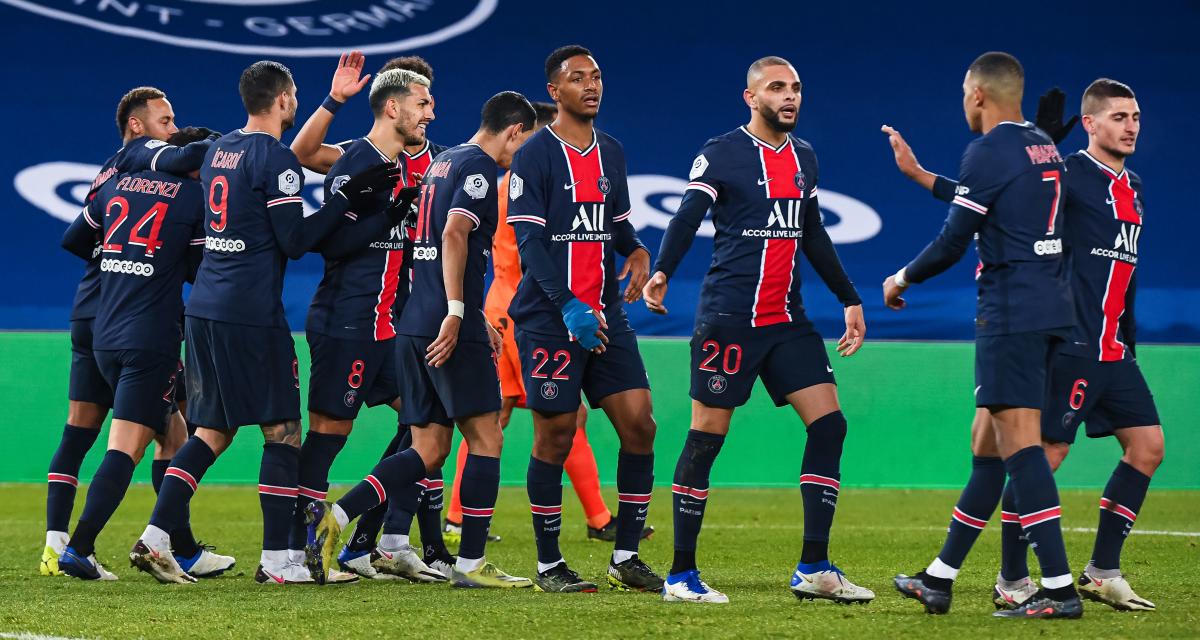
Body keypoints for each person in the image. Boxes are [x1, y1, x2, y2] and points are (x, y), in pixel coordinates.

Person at [884, 78, 1161, 612]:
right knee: (1033, 456)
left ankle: (1100, 571)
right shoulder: (1068, 172)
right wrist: (923, 178)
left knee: (1147, 448)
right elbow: (987, 201)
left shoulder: (1136, 189)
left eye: (1136, 117)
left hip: (1114, 349)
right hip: (1068, 341)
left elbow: (1127, 275)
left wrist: (1129, 338)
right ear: (1090, 123)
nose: (1130, 127)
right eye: (1119, 117)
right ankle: (1014, 578)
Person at [128, 60, 403, 585]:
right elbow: (295, 241)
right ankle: (279, 560)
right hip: (250, 314)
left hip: (205, 306)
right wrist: (347, 200)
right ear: (282, 100)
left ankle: (157, 536)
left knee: (212, 431)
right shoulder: (277, 161)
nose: (295, 100)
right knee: (283, 434)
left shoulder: (221, 149)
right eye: (294, 94)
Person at [643, 56, 870, 605]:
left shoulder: (805, 157)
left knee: (830, 425)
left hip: (788, 321)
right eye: (776, 88)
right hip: (729, 319)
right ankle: (680, 575)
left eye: (795, 87)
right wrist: (662, 271)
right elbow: (686, 215)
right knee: (706, 439)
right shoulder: (721, 153)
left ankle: (814, 566)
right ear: (751, 97)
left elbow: (813, 234)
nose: (789, 96)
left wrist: (849, 299)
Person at [305, 91, 538, 589]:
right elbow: (455, 235)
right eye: (527, 146)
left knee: (428, 448)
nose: (526, 160)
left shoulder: (441, 163)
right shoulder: (477, 170)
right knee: (487, 437)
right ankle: (472, 565)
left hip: (410, 323)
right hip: (445, 324)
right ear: (515, 131)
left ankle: (337, 518)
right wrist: (460, 314)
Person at [884, 52, 1082, 619]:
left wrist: (900, 279)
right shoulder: (1043, 147)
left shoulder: (988, 150)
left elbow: (952, 241)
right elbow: (995, 200)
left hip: (1011, 311)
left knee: (1022, 447)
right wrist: (923, 177)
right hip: (1050, 308)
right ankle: (939, 578)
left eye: (964, 94)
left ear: (977, 94)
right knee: (986, 446)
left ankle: (1059, 589)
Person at [445, 100, 654, 544]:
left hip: (498, 305)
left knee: (491, 417)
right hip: (536, 309)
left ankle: (457, 515)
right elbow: (535, 247)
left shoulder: (504, 184)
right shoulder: (521, 184)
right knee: (563, 418)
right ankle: (597, 518)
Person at [290, 52, 457, 568]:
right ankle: (294, 549)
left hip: (398, 323)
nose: (431, 111)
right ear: (392, 107)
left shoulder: (430, 165)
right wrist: (335, 98)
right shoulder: (356, 161)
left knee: (425, 425)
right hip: (349, 317)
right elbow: (333, 234)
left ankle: (387, 541)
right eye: (422, 102)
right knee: (329, 434)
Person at [41, 87, 216, 576]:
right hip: (145, 325)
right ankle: (85, 546)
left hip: (97, 316)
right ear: (137, 126)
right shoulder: (153, 161)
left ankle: (168, 545)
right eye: (165, 120)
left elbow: (75, 238)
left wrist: (119, 261)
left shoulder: (110, 180)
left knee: (151, 429)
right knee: (133, 442)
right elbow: (201, 269)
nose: (172, 130)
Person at [506, 45, 660, 594]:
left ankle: (625, 555)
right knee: (556, 434)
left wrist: (639, 253)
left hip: (607, 317)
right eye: (578, 78)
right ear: (555, 91)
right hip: (549, 319)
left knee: (640, 425)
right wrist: (568, 306)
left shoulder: (612, 152)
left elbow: (618, 229)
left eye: (596, 76)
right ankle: (550, 564)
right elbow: (531, 242)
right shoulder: (535, 155)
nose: (591, 86)